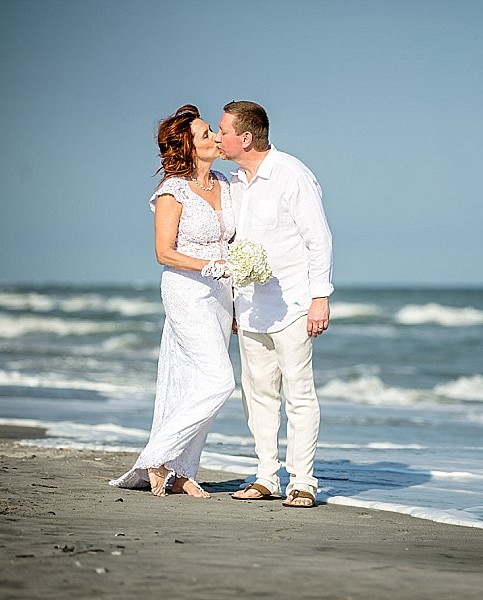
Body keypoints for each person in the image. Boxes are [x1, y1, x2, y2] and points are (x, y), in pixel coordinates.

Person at [110, 104, 236, 498]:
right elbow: (163, 253)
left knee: (190, 381)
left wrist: (235, 294)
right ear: (188, 148)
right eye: (205, 135)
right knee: (220, 381)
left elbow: (234, 243)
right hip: (186, 291)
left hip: (221, 296)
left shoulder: (226, 184)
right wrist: (208, 266)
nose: (215, 137)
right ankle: (157, 455)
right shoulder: (172, 190)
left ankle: (182, 470)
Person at [215, 100, 333, 508]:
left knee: (299, 394)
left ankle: (304, 481)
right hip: (249, 306)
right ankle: (267, 476)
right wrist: (231, 303)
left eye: (223, 131)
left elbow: (319, 239)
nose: (217, 136)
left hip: (293, 304)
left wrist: (321, 298)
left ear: (245, 138)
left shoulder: (292, 175)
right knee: (257, 394)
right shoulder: (233, 182)